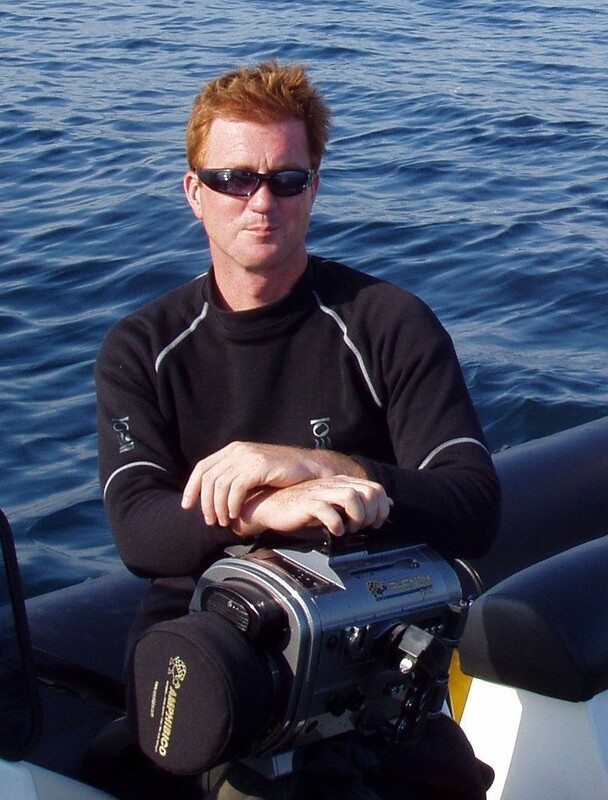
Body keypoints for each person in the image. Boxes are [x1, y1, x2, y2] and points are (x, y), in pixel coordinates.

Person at [95, 60, 499, 799]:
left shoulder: (387, 324)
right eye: (233, 179)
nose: (261, 202)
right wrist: (260, 510)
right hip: (214, 652)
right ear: (194, 192)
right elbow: (138, 528)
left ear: (314, 187)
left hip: (363, 651)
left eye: (287, 179)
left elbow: (473, 504)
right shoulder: (143, 349)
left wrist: (328, 469)